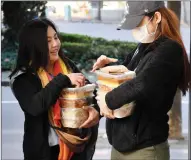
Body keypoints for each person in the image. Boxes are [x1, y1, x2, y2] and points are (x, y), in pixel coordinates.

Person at [93, 1, 191, 160]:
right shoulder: (144, 46)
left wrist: (107, 100)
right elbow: (128, 75)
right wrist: (109, 68)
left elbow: (141, 83)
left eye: (138, 23)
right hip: (121, 145)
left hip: (145, 150)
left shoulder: (169, 50)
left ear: (156, 17)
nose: (135, 29)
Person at [9, 18, 100, 160]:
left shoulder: (66, 65)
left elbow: (90, 94)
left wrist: (96, 111)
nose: (55, 44)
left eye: (56, 37)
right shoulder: (23, 78)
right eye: (48, 41)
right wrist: (63, 79)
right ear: (35, 45)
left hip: (75, 147)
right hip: (45, 152)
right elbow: (35, 106)